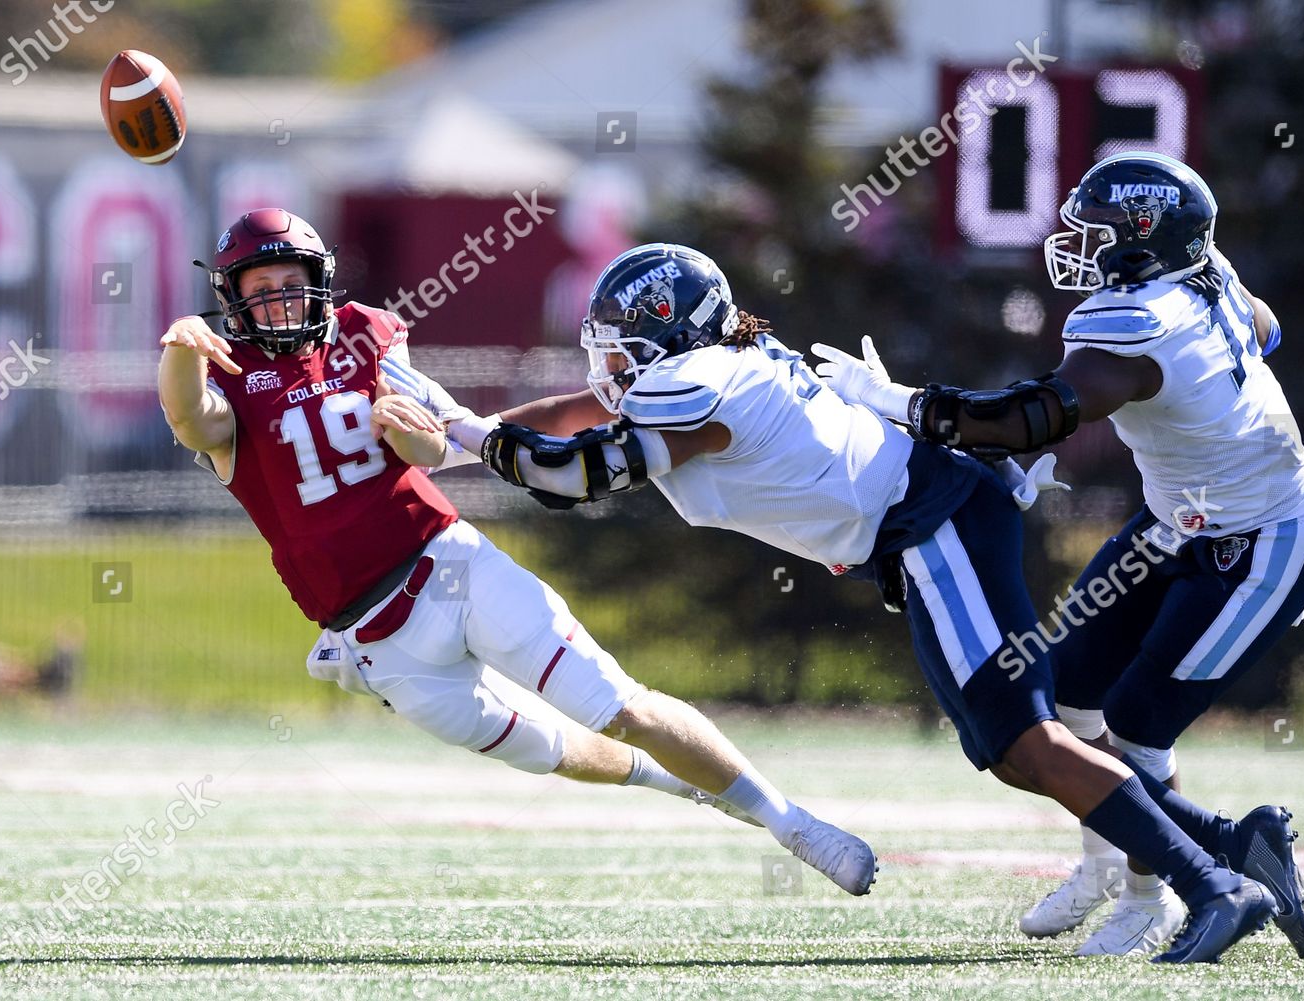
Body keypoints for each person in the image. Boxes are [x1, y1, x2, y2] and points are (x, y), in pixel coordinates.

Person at [437, 240, 1288, 964]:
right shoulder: (718, 364)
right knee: (1008, 747)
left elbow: (576, 472)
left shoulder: (698, 383)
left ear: (671, 338)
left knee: (1025, 740)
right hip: (929, 523)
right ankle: (1224, 843)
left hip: (934, 522)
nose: (610, 366)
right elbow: (569, 415)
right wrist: (445, 436)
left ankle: (1207, 880)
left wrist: (469, 434)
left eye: (623, 347)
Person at [155, 208, 878, 897]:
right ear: (231, 301)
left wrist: (413, 439)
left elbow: (433, 446)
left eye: (291, 283)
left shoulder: (361, 335)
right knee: (553, 752)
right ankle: (683, 779)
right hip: (377, 642)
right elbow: (192, 418)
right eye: (262, 290)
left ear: (320, 278)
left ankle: (794, 824)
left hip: (451, 566)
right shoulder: (221, 380)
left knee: (618, 705)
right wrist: (180, 347)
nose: (282, 302)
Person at [810, 151, 1304, 957]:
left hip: (1267, 539)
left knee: (1136, 727)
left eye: (1098, 232)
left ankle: (1157, 893)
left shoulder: (1130, 322)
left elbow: (1030, 416)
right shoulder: (1211, 273)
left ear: (1144, 238)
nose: (1080, 245)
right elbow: (1266, 329)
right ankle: (1134, 861)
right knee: (1071, 689)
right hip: (1178, 521)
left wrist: (892, 402)